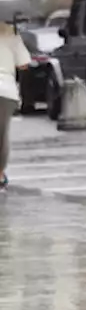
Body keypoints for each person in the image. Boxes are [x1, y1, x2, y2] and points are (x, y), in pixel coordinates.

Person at [0, 21, 31, 190]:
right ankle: (0, 172)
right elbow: (24, 64)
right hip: (7, 90)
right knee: (2, 133)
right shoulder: (11, 32)